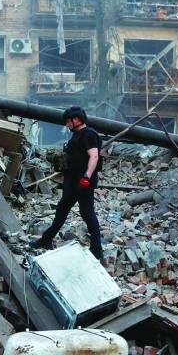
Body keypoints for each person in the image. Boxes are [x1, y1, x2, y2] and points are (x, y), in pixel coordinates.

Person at [29, 106, 104, 260]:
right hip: (73, 181)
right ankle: (46, 239)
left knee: (87, 213)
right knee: (62, 209)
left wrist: (87, 177)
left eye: (68, 121)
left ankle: (97, 250)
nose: (66, 125)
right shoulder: (77, 135)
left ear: (76, 119)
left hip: (83, 182)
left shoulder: (88, 134)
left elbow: (94, 156)